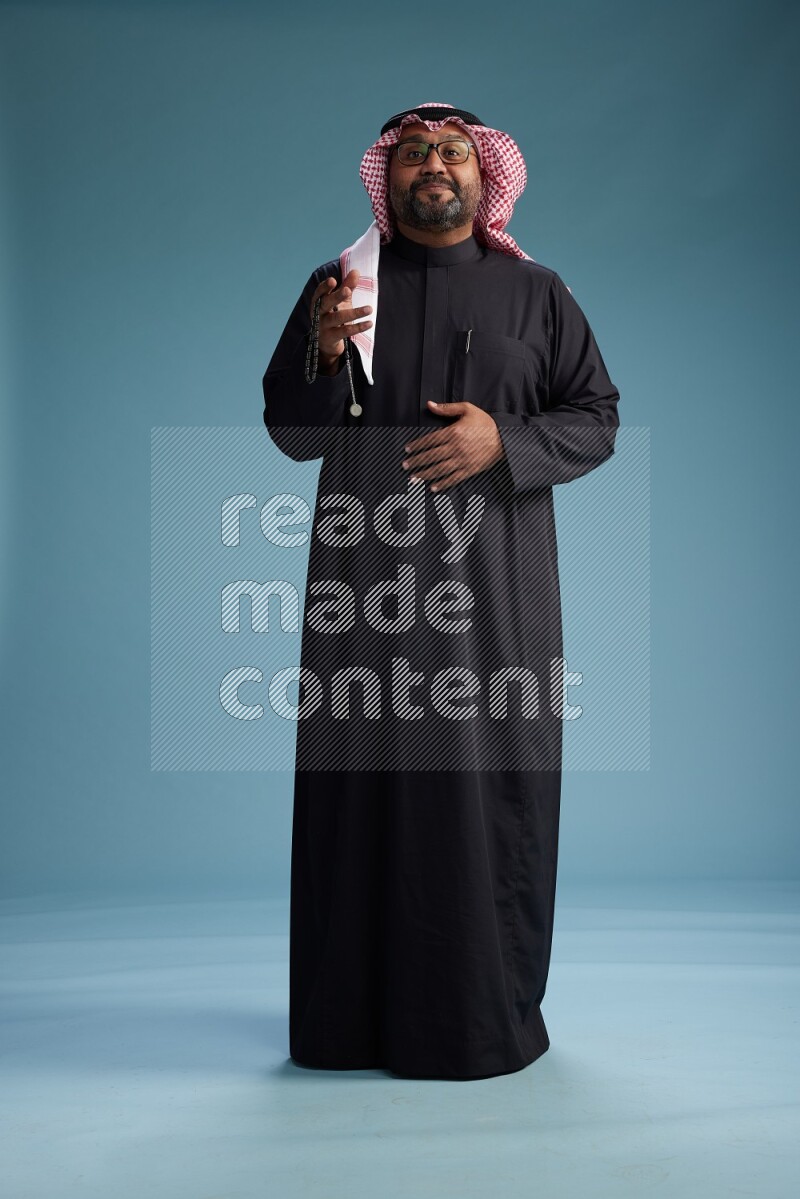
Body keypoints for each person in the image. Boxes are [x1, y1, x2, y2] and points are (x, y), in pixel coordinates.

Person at [262, 102, 620, 1080]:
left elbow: (595, 415)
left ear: (482, 178)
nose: (433, 165)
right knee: (356, 791)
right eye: (415, 151)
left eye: (452, 152)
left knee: (482, 792)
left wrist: (504, 440)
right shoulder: (339, 287)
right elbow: (293, 432)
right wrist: (322, 354)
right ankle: (345, 1020)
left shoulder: (535, 295)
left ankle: (477, 1014)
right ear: (388, 174)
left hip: (491, 602)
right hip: (360, 597)